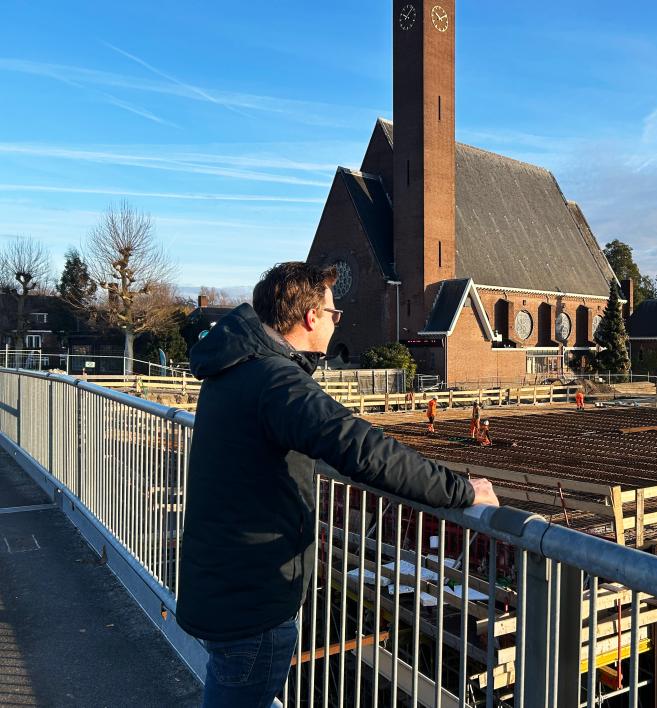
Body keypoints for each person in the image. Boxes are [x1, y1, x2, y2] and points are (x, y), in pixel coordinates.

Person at [176, 262, 498, 707]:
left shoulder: (234, 368)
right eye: (334, 314)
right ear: (311, 318)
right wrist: (464, 490)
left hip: (222, 585)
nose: (335, 321)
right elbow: (363, 448)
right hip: (253, 602)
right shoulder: (277, 381)